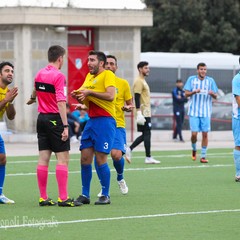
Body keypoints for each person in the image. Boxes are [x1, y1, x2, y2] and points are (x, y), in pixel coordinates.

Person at [34, 45, 81, 207]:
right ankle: (63, 197)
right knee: (63, 158)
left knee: (43, 158)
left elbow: (35, 91)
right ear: (60, 58)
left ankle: (43, 197)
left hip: (41, 119)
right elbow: (61, 102)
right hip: (55, 119)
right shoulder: (59, 76)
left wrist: (32, 99)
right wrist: (66, 126)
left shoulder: (39, 73)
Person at [71, 50, 116, 205]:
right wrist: (76, 95)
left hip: (105, 121)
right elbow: (84, 94)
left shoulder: (108, 75)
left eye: (92, 60)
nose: (88, 63)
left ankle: (105, 194)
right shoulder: (89, 76)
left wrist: (89, 91)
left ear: (101, 63)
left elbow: (110, 96)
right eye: (88, 60)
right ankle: (85, 194)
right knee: (84, 158)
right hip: (92, 120)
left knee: (101, 158)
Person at [94, 55, 134, 196]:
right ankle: (104, 186)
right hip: (101, 123)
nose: (110, 66)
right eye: (107, 64)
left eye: (112, 64)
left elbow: (130, 104)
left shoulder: (123, 84)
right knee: (98, 157)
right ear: (103, 66)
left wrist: (128, 108)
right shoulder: (98, 82)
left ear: (116, 67)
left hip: (117, 124)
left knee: (116, 155)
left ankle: (120, 176)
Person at [125, 61, 160, 164]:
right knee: (147, 133)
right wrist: (139, 112)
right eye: (145, 68)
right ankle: (148, 157)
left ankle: (129, 149)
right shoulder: (139, 81)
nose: (148, 69)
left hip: (146, 111)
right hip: (143, 112)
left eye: (148, 68)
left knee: (145, 134)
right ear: (140, 69)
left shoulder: (143, 81)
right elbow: (136, 96)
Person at [184, 62, 218, 163]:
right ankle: (194, 149)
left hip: (206, 112)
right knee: (194, 134)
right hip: (194, 112)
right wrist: (194, 92)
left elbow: (216, 96)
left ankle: (203, 156)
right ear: (197, 70)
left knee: (205, 134)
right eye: (201, 69)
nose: (203, 71)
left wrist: (213, 94)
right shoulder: (191, 79)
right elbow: (186, 94)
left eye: (204, 69)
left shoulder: (210, 81)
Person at [0, 61, 18, 204]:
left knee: (2, 158)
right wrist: (6, 99)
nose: (10, 73)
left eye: (12, 71)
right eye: (7, 71)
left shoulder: (8, 92)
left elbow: (11, 116)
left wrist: (10, 102)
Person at [232, 57, 240, 182]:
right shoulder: (237, 79)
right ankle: (239, 173)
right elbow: (239, 101)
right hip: (239, 117)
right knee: (239, 145)